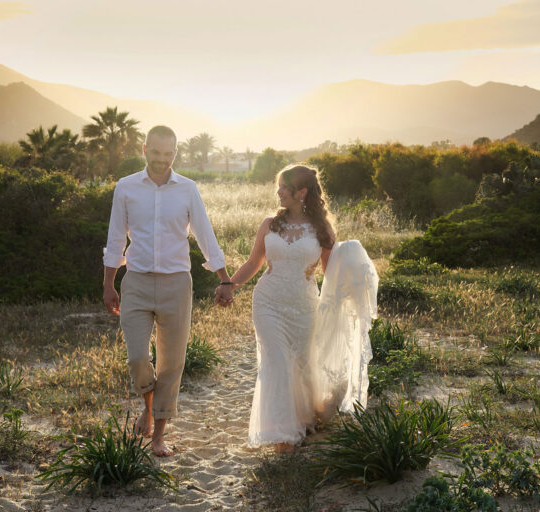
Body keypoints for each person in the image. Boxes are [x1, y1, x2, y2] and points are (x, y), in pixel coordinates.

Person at [222, 164, 378, 452]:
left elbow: (331, 274)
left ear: (301, 192)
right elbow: (253, 263)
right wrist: (229, 285)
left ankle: (305, 418)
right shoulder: (270, 223)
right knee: (278, 364)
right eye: (279, 186)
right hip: (267, 301)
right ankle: (283, 435)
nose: (278, 192)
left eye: (284, 187)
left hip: (304, 305)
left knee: (304, 366)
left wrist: (351, 280)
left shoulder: (321, 229)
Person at [103, 125, 234, 457]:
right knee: (137, 358)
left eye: (168, 154)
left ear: (175, 154)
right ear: (145, 150)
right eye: (156, 152)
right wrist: (108, 284)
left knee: (171, 364)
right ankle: (148, 407)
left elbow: (205, 235)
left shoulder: (187, 189)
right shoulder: (126, 187)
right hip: (137, 281)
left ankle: (158, 434)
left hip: (177, 283)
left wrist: (225, 279)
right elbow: (116, 238)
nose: (161, 160)